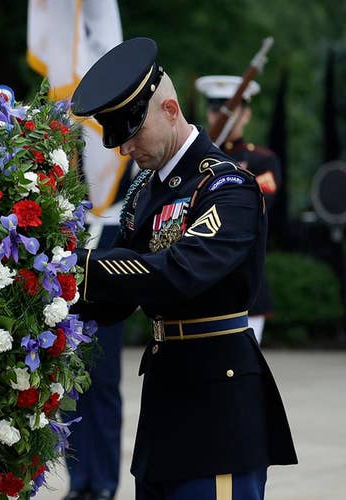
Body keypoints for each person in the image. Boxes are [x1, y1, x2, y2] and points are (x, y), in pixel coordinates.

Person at [69, 38, 296, 499]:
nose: (126, 148)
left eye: (133, 132)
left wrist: (80, 268)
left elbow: (178, 271)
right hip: (165, 407)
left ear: (170, 109)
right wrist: (43, 296)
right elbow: (118, 299)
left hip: (218, 412)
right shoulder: (144, 194)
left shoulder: (227, 185)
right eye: (118, 137)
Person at [63, 161, 138, 500]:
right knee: (69, 389)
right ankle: (79, 478)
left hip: (109, 265)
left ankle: (105, 480)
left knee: (104, 386)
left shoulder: (126, 153)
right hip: (68, 287)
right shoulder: (70, 140)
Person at [195, 75, 281, 344]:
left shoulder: (261, 160)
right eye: (216, 109)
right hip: (198, 285)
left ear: (246, 114)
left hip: (244, 283)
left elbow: (258, 208)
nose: (223, 116)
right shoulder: (195, 160)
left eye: (231, 110)